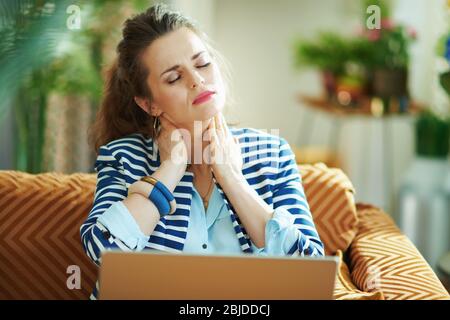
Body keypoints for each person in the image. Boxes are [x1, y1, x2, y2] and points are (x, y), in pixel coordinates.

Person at [80, 3, 324, 300]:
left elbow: (308, 272)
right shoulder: (123, 156)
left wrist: (232, 178)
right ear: (149, 104)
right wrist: (170, 168)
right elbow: (102, 251)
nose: (196, 79)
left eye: (202, 63)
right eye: (174, 77)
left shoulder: (271, 152)